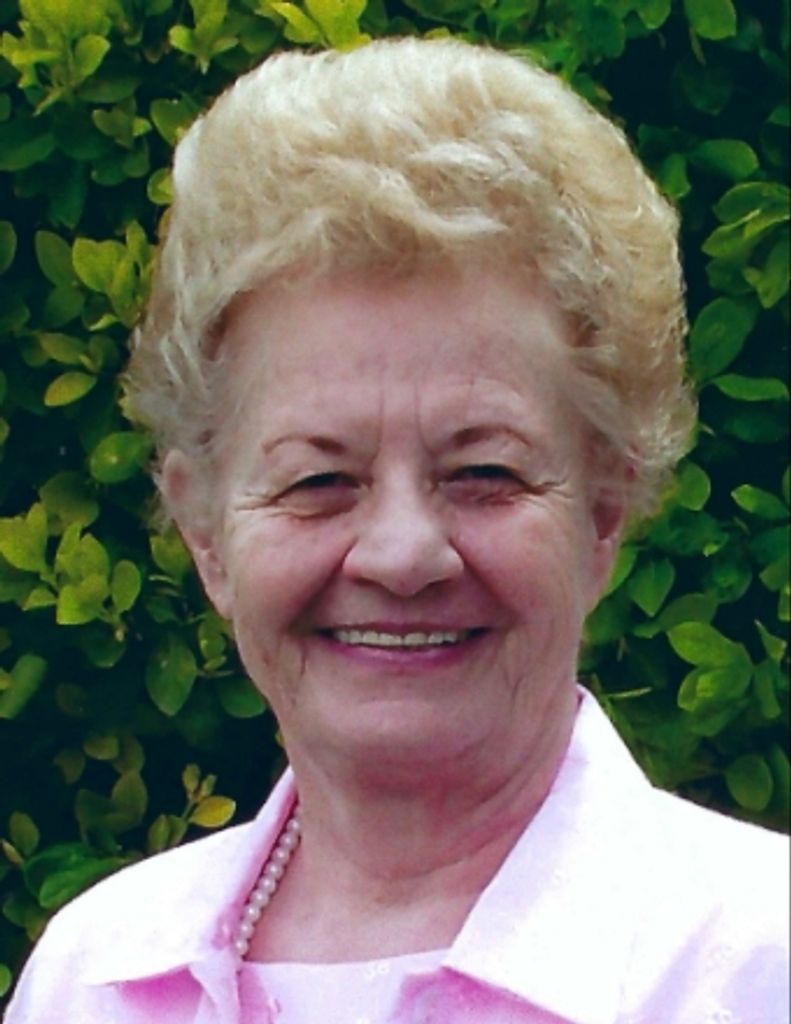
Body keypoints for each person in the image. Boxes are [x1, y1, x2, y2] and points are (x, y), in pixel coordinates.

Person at [5, 37, 787, 1024]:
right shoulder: (91, 980)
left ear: (600, 512)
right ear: (205, 531)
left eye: (484, 473)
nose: (402, 554)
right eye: (319, 481)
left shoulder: (757, 966)